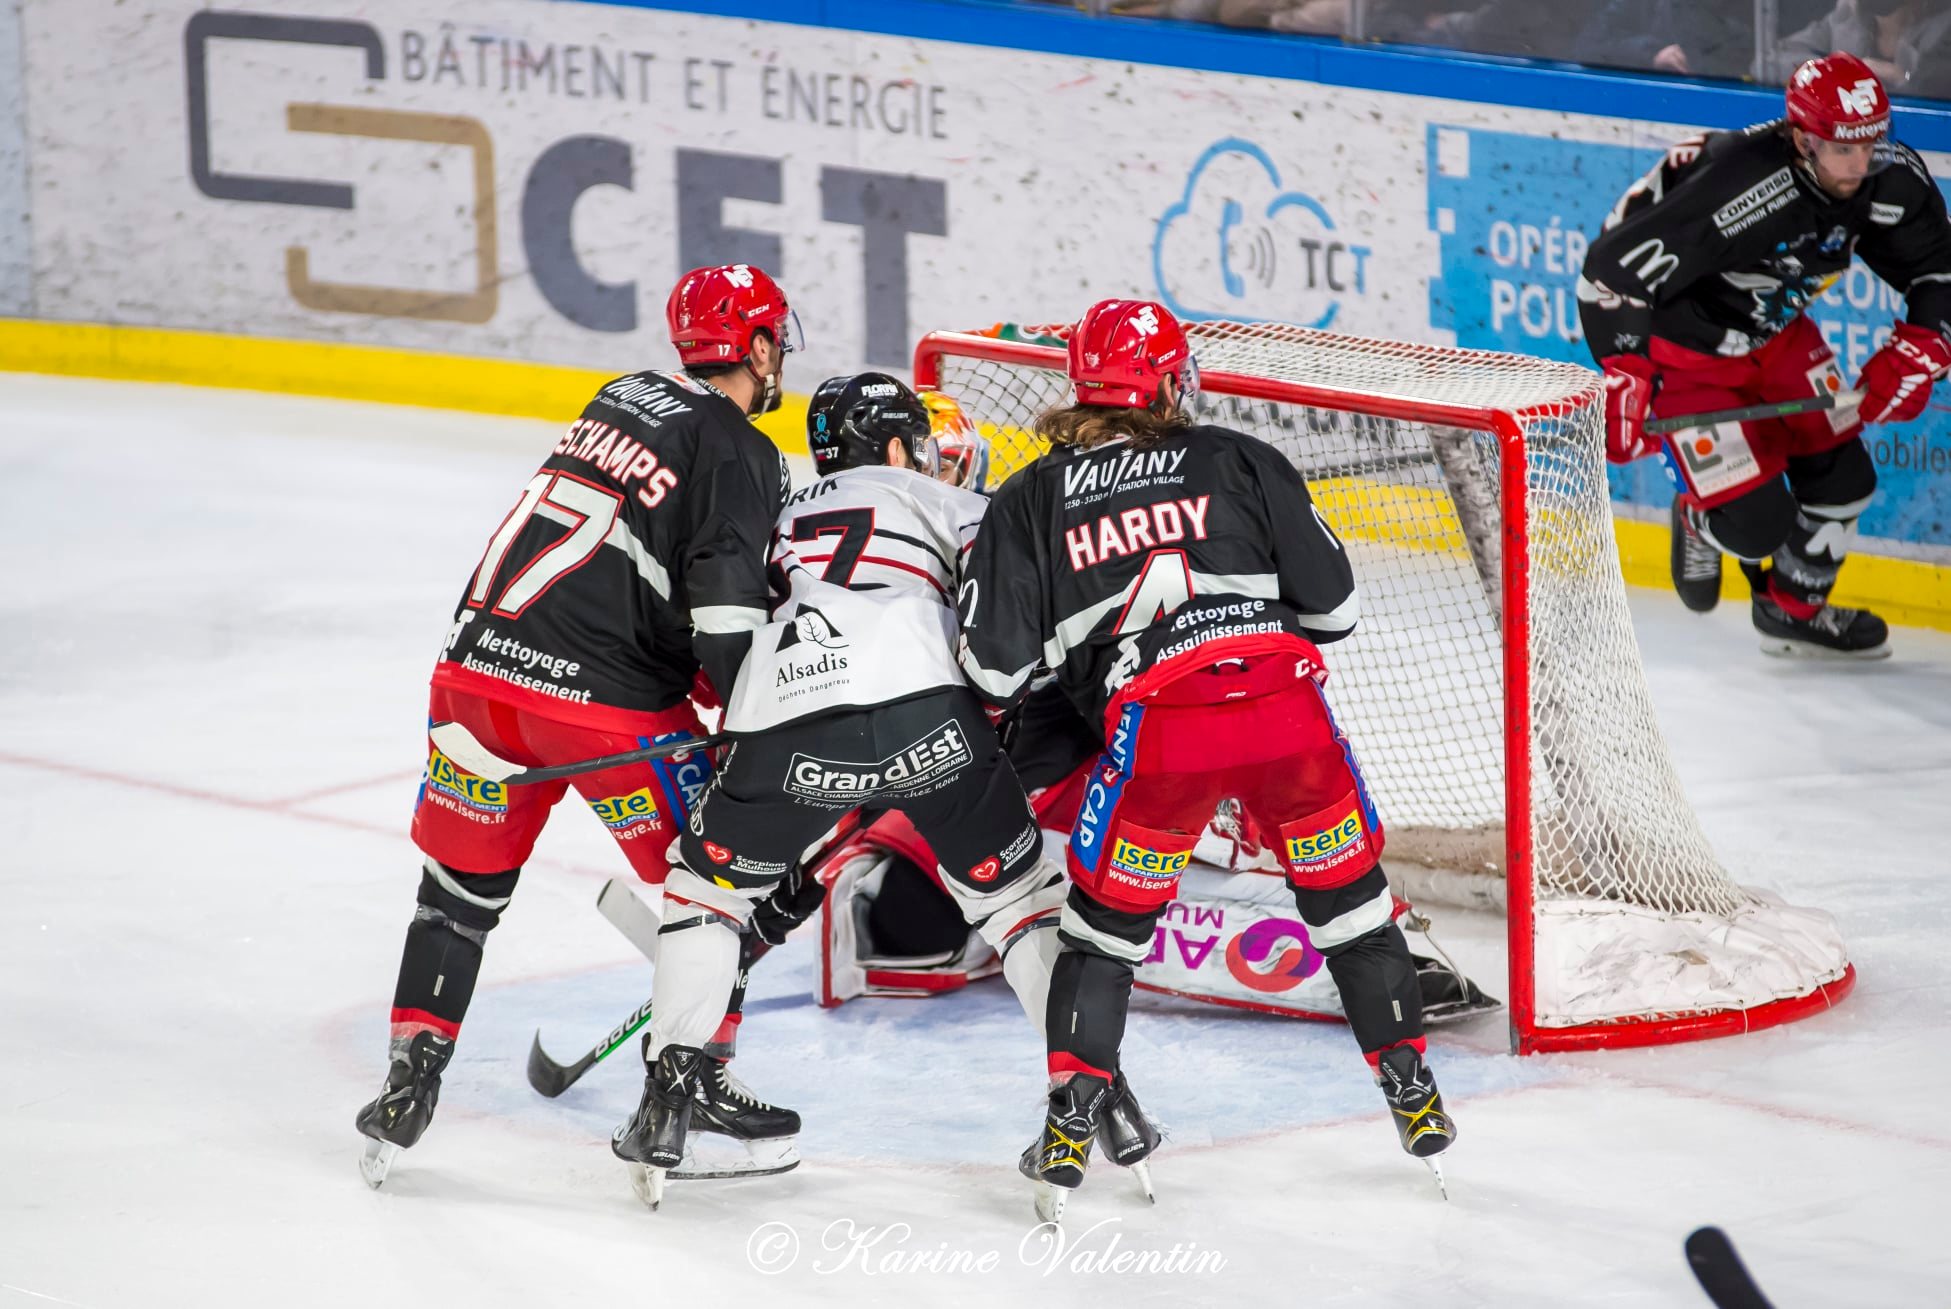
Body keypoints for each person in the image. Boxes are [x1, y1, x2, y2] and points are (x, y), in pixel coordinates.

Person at [956, 298, 1457, 1212]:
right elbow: (1335, 612)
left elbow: (992, 668)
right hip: (1285, 722)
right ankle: (1412, 1095)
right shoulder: (1238, 456)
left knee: (1102, 937)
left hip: (1157, 744)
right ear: (1170, 380)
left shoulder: (1031, 496)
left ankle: (1069, 1130)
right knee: (1350, 908)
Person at [354, 264, 802, 1187]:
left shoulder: (617, 397)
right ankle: (695, 1090)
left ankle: (408, 1080)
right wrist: (760, 718)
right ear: (756, 346)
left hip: (474, 677)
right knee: (719, 884)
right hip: (604, 710)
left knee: (455, 896)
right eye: (775, 339)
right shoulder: (743, 452)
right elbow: (724, 627)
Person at [608, 373, 1091, 1209]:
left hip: (785, 721)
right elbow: (1011, 615)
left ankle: (665, 1101)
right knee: (1017, 903)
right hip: (929, 718)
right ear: (901, 446)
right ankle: (1092, 1099)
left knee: (704, 893)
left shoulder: (775, 506)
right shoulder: (950, 502)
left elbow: (726, 611)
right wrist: (993, 708)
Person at [1579, 53, 1951, 657]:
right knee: (1756, 529)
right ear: (1803, 138)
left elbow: (1938, 271)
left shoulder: (1890, 178)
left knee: (1845, 482)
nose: (1860, 166)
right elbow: (1611, 275)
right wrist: (1625, 370)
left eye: (1872, 145)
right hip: (1687, 356)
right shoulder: (1740, 183)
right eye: (1842, 149)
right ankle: (1699, 514)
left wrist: (1925, 345)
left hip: (1778, 340)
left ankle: (1791, 614)